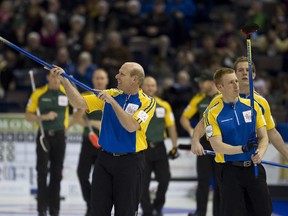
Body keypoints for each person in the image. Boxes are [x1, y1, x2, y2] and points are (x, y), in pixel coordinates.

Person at [48, 62, 156, 216]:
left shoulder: (147, 102)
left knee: (126, 211)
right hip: (104, 159)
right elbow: (78, 102)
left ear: (135, 79)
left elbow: (131, 126)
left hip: (130, 163)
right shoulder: (111, 93)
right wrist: (64, 80)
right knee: (97, 210)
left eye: (122, 74)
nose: (117, 76)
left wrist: (112, 102)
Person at [204, 67, 272, 216]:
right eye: (230, 83)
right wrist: (242, 149)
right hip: (230, 172)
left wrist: (260, 153)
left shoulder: (252, 106)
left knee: (264, 211)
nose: (236, 85)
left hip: (254, 168)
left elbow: (264, 137)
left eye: (236, 81)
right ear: (219, 87)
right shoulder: (212, 113)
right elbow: (217, 146)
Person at [25, 71, 69, 216]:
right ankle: (41, 209)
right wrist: (44, 117)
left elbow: (78, 108)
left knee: (57, 174)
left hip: (60, 137)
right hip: (44, 136)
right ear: (48, 78)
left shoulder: (65, 93)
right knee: (42, 172)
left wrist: (67, 126)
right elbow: (28, 116)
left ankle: (54, 209)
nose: (56, 79)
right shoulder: (38, 93)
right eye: (53, 76)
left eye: (58, 76)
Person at [67, 68, 109, 216]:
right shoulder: (85, 96)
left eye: (102, 78)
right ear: (93, 80)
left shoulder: (112, 97)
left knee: (100, 179)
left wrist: (100, 125)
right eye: (97, 78)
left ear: (107, 80)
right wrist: (90, 123)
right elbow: (78, 118)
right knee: (82, 174)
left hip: (105, 144)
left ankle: (98, 206)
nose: (99, 80)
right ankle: (90, 203)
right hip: (88, 141)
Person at [179, 70, 219, 216]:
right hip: (204, 144)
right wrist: (191, 131)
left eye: (202, 82)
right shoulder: (198, 98)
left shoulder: (222, 97)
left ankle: (219, 212)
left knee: (221, 181)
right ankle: (200, 212)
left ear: (211, 82)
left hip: (221, 144)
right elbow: (184, 117)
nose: (200, 85)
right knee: (203, 180)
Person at [140, 76, 179, 216]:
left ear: (156, 88)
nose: (150, 88)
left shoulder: (164, 105)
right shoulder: (137, 103)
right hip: (142, 148)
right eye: (147, 85)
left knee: (165, 178)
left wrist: (175, 146)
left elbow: (172, 127)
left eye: (153, 85)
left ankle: (158, 205)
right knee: (142, 182)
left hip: (160, 147)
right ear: (142, 87)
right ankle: (147, 210)